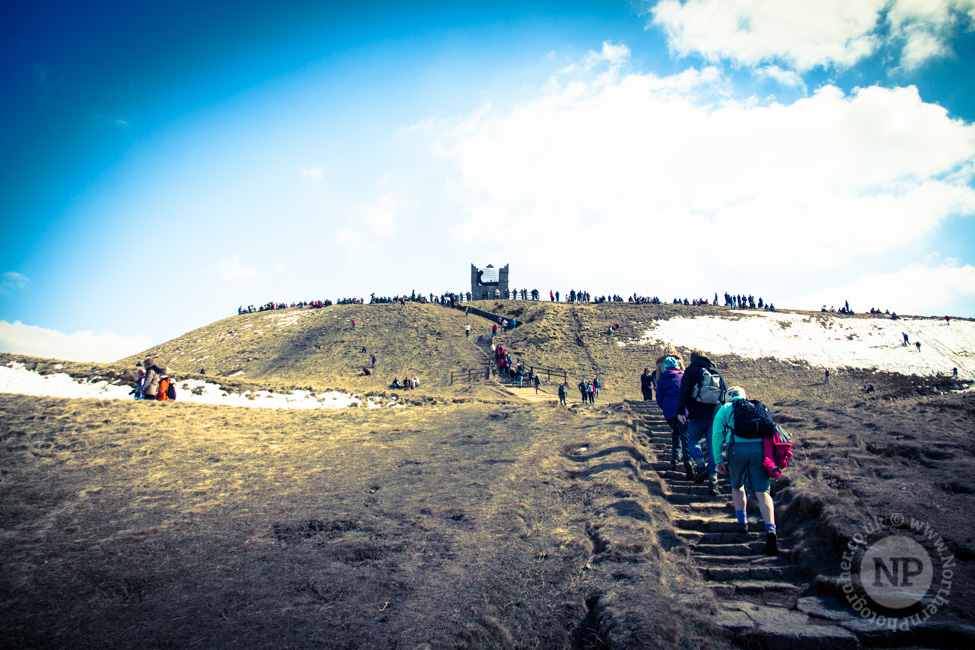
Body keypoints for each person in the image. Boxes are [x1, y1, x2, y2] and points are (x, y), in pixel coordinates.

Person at [712, 387, 778, 555]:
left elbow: (717, 435)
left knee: (737, 485)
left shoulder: (725, 409)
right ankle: (770, 528)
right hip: (759, 451)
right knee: (763, 492)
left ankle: (742, 523)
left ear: (728, 398)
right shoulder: (757, 407)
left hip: (736, 450)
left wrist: (718, 460)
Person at [678, 351, 727, 496]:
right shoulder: (714, 370)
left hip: (696, 415)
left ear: (692, 359)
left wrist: (681, 411)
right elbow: (723, 392)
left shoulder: (691, 370)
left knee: (693, 442)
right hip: (714, 415)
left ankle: (700, 466)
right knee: (713, 448)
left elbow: (684, 391)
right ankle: (713, 481)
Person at [656, 357, 692, 480]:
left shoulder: (662, 380)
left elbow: (659, 397)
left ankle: (675, 458)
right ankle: (688, 460)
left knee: (675, 433)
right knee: (685, 435)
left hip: (669, 411)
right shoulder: (682, 377)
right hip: (683, 410)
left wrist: (665, 407)